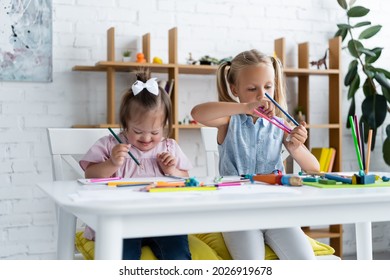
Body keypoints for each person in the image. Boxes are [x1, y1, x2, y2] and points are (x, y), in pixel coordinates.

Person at [191, 49, 320, 260]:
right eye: (252, 89)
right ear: (235, 89)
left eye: (268, 87)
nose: (262, 95)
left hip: (275, 210)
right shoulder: (229, 121)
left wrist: (296, 147)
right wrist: (245, 107)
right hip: (237, 211)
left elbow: (314, 169)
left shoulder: (280, 125)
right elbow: (197, 113)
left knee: (305, 261)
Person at [80, 69, 192, 260]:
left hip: (162, 220)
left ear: (165, 126)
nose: (147, 138)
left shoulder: (169, 147)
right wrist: (112, 163)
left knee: (178, 253)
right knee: (122, 256)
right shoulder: (111, 145)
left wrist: (172, 170)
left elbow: (186, 179)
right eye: (138, 131)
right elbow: (90, 174)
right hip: (122, 221)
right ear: (125, 124)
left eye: (155, 132)